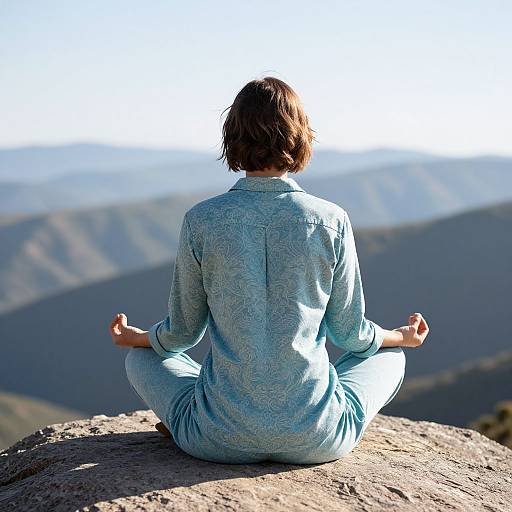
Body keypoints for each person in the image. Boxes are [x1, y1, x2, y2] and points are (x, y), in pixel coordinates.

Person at [109, 76, 429, 465]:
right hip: (317, 439)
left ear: (233, 137)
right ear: (299, 136)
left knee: (140, 358)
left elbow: (181, 334)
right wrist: (400, 336)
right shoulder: (331, 220)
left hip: (216, 440)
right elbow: (351, 335)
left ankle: (195, 416)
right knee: (390, 357)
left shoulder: (202, 220)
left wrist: (137, 337)